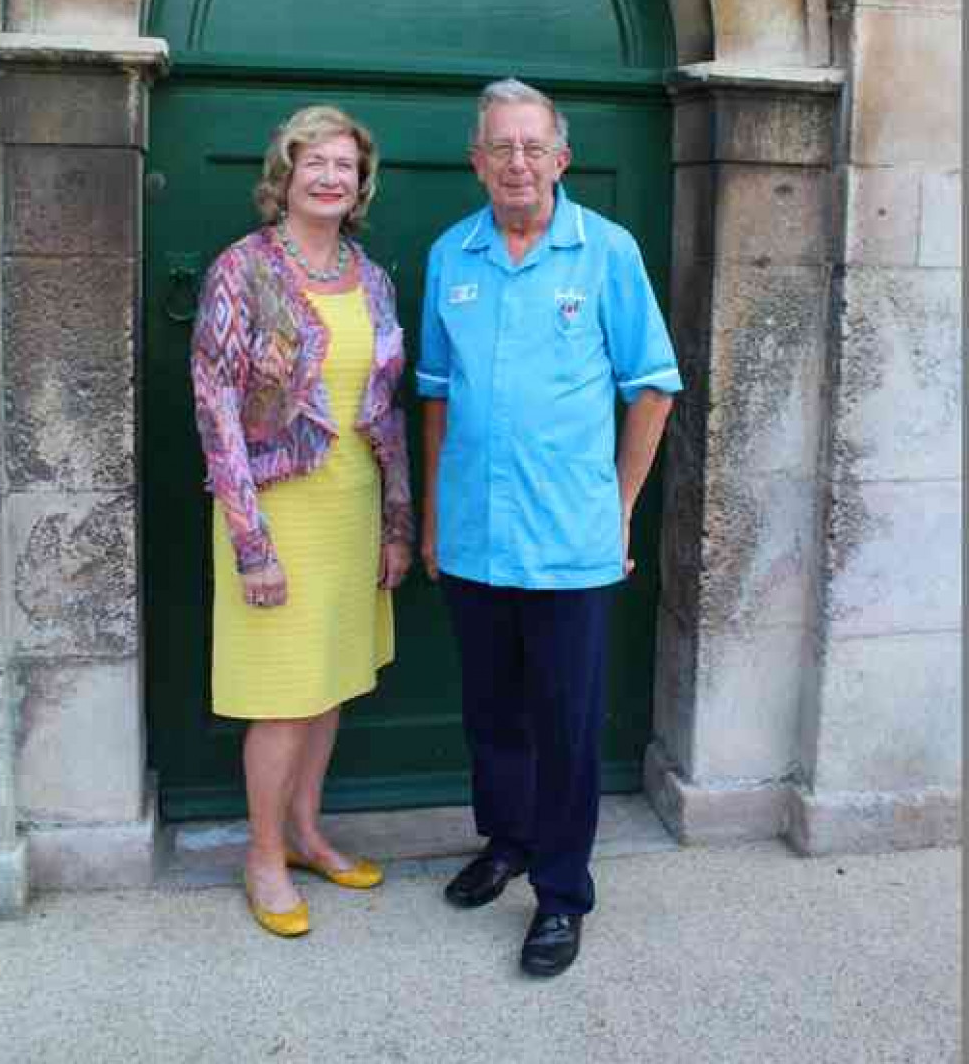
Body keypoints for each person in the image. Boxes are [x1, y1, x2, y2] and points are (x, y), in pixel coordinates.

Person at [417, 78, 681, 977]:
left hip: (571, 542)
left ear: (561, 159)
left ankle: (562, 894)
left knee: (565, 723)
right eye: (501, 147)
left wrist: (619, 504)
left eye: (533, 146)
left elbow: (652, 384)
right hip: (475, 538)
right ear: (477, 160)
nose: (517, 162)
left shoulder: (606, 252)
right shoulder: (450, 254)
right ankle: (508, 841)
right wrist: (432, 516)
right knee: (492, 712)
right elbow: (437, 397)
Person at [191, 105, 412, 938]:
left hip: (352, 504)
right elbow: (215, 412)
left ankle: (309, 831)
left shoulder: (371, 273)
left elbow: (384, 411)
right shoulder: (241, 270)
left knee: (330, 684)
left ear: (361, 185)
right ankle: (263, 857)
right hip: (275, 510)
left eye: (344, 166)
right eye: (314, 161)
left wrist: (396, 522)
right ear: (284, 174)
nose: (330, 176)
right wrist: (251, 544)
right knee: (283, 696)